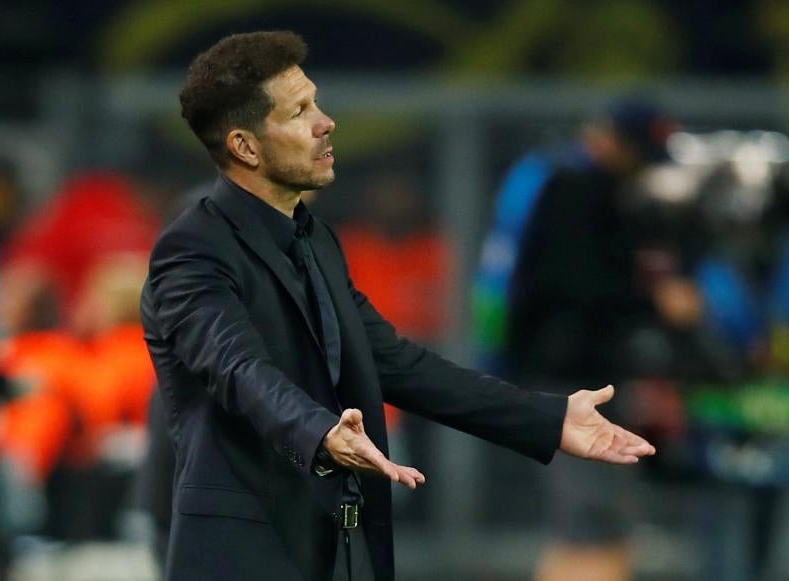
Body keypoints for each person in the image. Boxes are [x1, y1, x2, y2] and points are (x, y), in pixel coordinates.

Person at [140, 31, 655, 581]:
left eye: (316, 103)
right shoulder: (192, 248)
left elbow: (397, 363)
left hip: (332, 545)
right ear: (245, 147)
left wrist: (548, 419)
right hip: (241, 555)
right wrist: (320, 433)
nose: (325, 122)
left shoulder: (315, 243)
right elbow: (239, 369)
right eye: (299, 112)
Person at [473, 100, 689, 581]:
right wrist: (654, 298)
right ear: (617, 143)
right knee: (590, 519)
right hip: (568, 375)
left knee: (592, 520)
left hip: (572, 371)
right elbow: (574, 285)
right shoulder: (573, 187)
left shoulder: (572, 181)